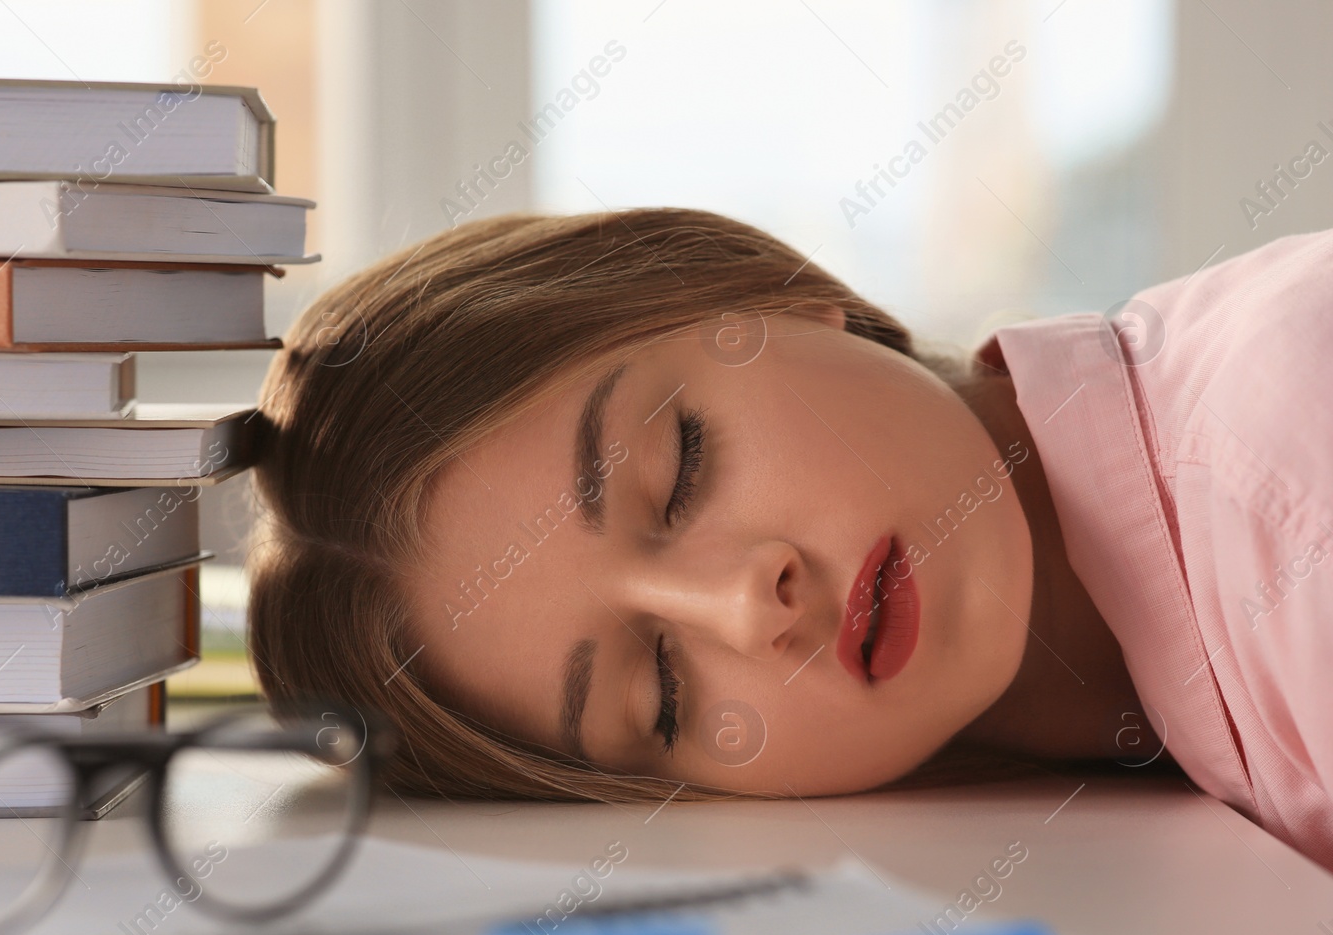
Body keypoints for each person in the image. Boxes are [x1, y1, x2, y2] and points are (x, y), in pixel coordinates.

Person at [248, 208, 1333, 870]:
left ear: (764, 294)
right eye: (661, 694)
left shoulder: (1288, 489)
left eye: (679, 474)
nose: (742, 606)